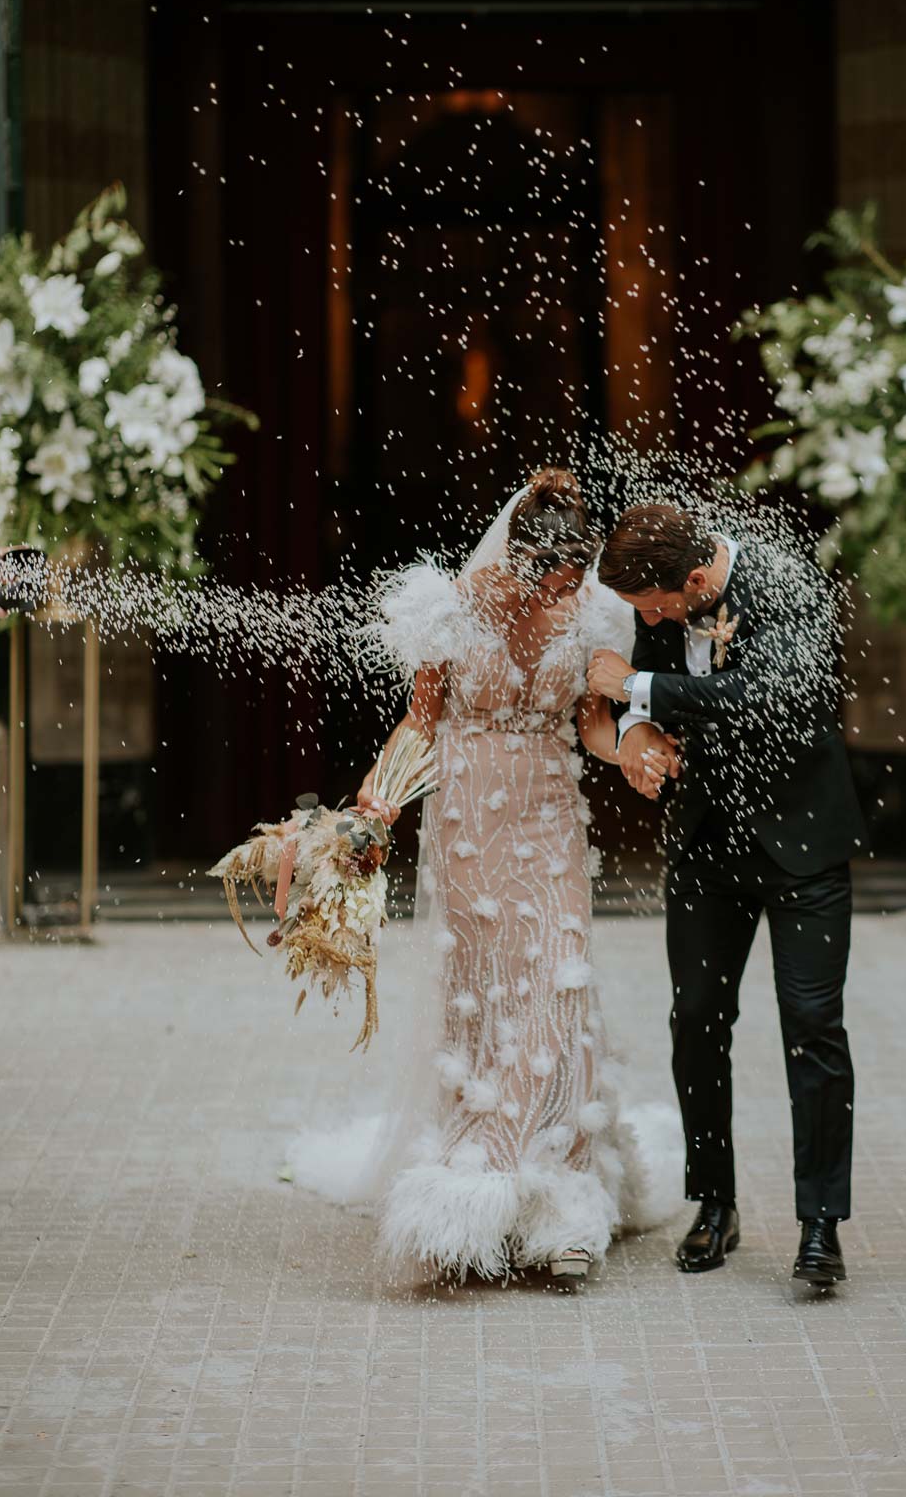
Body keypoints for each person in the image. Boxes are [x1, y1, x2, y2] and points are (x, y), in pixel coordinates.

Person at [288, 469, 676, 1288]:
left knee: (555, 992)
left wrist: (632, 751)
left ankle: (561, 1197)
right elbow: (421, 722)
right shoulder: (451, 610)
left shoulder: (594, 615)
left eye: (580, 578)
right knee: (485, 992)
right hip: (469, 823)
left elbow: (596, 729)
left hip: (548, 818)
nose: (572, 592)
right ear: (524, 560)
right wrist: (379, 802)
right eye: (561, 578)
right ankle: (475, 1179)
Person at [587, 503, 867, 1287]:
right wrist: (638, 727)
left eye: (655, 606)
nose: (647, 618)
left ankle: (821, 1226)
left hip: (802, 846)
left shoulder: (787, 582)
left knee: (813, 1027)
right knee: (698, 1018)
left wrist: (637, 683)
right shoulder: (660, 591)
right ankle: (714, 1203)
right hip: (706, 843)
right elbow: (651, 691)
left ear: (699, 578)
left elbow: (764, 697)